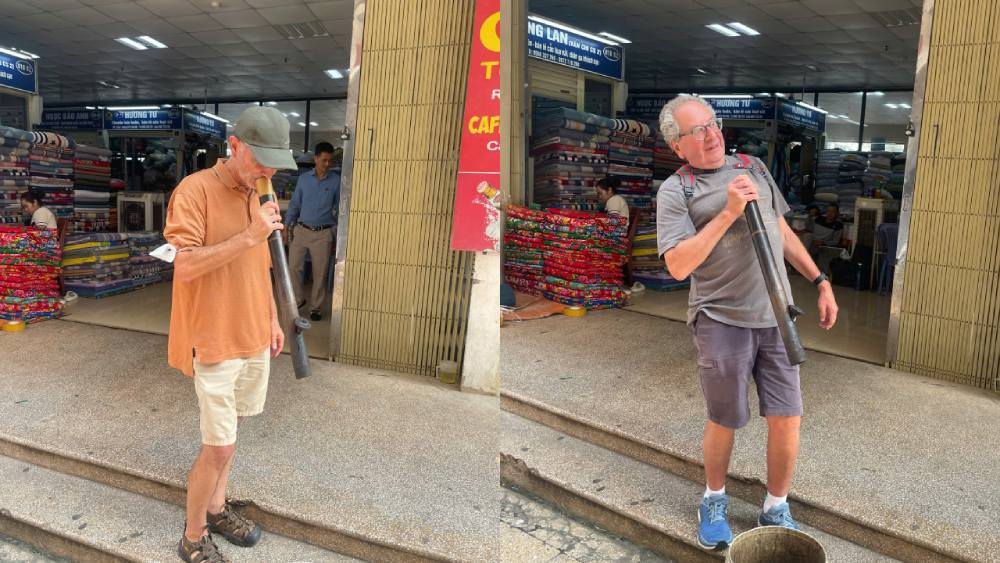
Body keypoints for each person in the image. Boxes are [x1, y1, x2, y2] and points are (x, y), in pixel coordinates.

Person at [655, 95, 839, 550]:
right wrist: (728, 213)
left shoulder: (753, 165)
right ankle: (713, 499)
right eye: (696, 130)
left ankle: (776, 505)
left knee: (787, 418)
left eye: (713, 124)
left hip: (777, 316)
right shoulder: (676, 191)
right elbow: (678, 265)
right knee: (726, 418)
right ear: (678, 146)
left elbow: (780, 230)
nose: (711, 134)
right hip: (721, 319)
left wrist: (820, 279)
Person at [163, 106, 298, 563]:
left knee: (233, 433)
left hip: (253, 334)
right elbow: (185, 266)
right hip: (215, 338)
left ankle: (217, 508)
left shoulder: (261, 189)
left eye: (276, 161)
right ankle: (193, 536)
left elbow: (258, 266)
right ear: (234, 146)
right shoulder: (194, 190)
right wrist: (249, 233)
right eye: (261, 159)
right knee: (217, 446)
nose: (270, 171)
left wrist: (273, 320)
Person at [285, 141, 341, 322]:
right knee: (292, 267)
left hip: (323, 234)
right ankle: (299, 300)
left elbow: (340, 209)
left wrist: (337, 233)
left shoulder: (335, 181)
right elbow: (294, 204)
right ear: (316, 158)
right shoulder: (303, 179)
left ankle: (316, 307)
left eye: (330, 161)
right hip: (301, 231)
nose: (327, 164)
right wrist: (287, 226)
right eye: (324, 160)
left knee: (320, 272)